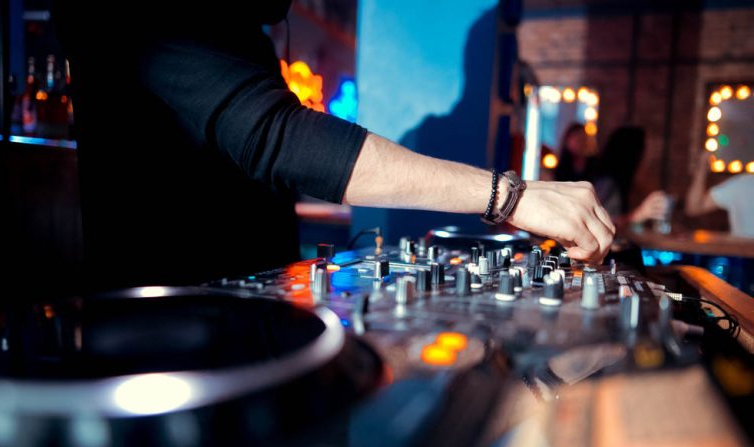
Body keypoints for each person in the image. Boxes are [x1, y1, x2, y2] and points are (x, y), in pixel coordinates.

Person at [52, 1, 613, 291]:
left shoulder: (241, 31)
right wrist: (509, 197)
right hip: (165, 349)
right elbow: (276, 133)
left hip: (249, 315)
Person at [592, 126, 669, 232]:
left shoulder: (631, 182)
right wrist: (637, 215)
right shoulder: (609, 183)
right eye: (646, 146)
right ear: (634, 151)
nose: (650, 153)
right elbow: (598, 223)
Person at [685, 157, 754, 237]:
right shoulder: (743, 184)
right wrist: (702, 168)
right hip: (742, 248)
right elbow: (694, 207)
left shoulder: (743, 184)